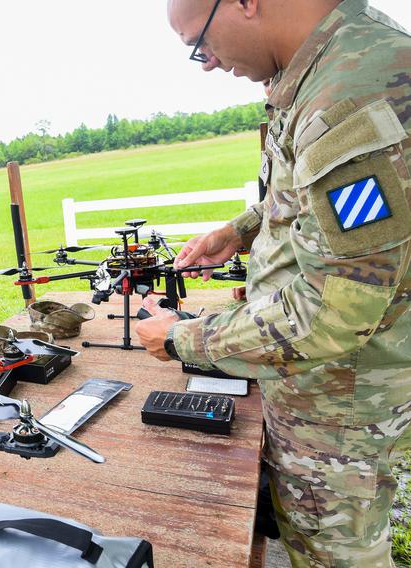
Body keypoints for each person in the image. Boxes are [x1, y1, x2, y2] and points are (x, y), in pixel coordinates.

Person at [136, 1, 411, 566]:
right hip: (325, 383)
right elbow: (319, 198)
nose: (206, 62)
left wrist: (184, 338)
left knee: (334, 555)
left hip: (341, 401)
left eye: (199, 42)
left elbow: (332, 314)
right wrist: (241, 229)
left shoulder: (348, 98)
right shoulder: (327, 65)